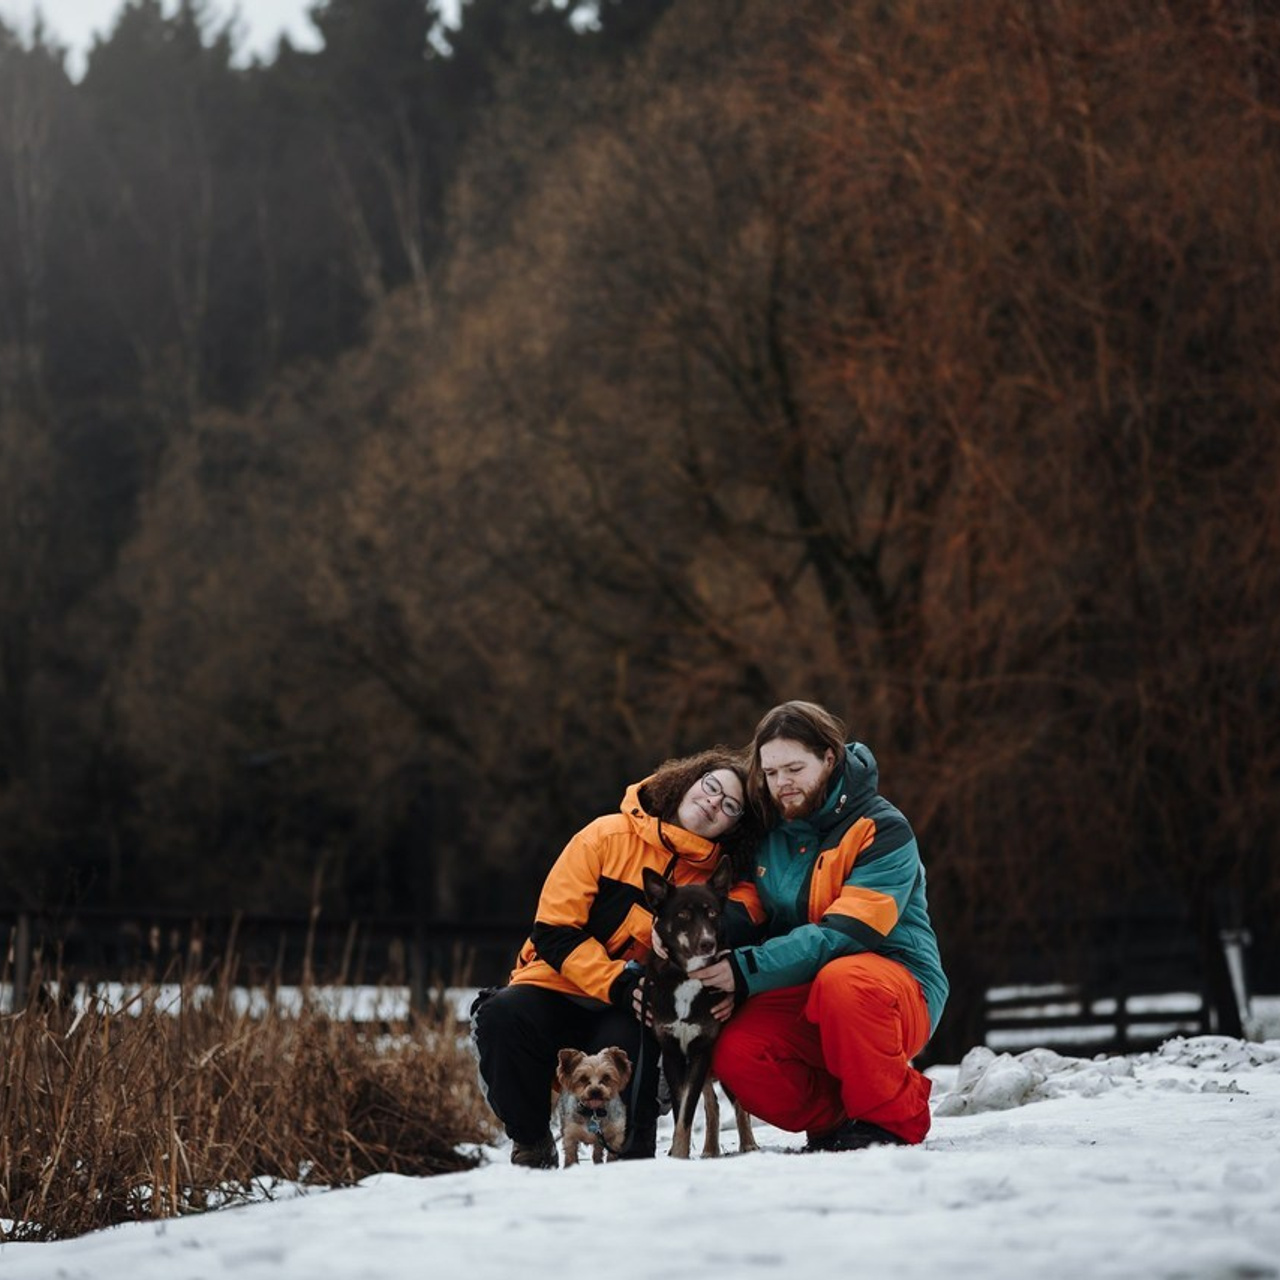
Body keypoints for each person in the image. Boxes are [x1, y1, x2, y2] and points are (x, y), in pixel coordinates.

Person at [471, 748, 763, 1168]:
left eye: (731, 805)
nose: (714, 802)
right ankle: (532, 1142)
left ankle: (629, 1152)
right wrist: (619, 981)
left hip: (637, 1005)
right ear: (687, 781)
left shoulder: (725, 881)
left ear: (736, 825)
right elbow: (553, 929)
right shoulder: (605, 836)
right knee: (502, 1017)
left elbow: (746, 921)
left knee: (641, 1039)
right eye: (710, 786)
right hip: (560, 985)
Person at [696, 700, 948, 1150]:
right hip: (807, 988)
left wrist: (744, 969)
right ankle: (839, 1122)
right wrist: (694, 946)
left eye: (794, 768)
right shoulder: (768, 832)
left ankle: (892, 1122)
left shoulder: (882, 829)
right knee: (737, 1052)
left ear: (829, 758)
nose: (782, 784)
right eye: (771, 774)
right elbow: (745, 905)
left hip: (894, 986)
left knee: (843, 980)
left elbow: (845, 935)